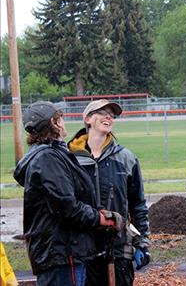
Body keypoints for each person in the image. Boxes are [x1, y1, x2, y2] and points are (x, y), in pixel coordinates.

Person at [14, 101, 117, 286]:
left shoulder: (54, 154)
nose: (64, 121)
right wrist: (99, 219)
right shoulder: (47, 158)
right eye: (60, 117)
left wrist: (97, 210)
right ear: (55, 123)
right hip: (61, 253)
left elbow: (74, 195)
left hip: (66, 252)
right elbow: (66, 206)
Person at [68, 99, 150, 286]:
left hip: (119, 249)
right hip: (83, 250)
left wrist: (142, 243)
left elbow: (138, 204)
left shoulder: (126, 158)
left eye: (111, 114)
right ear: (88, 119)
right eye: (102, 112)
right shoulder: (70, 159)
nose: (108, 117)